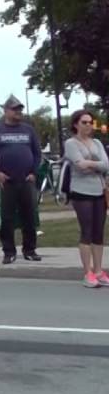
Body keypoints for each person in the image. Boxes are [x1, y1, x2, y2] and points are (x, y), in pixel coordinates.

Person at [0, 94, 43, 264]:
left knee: (29, 216)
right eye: (14, 109)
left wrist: (34, 172)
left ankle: (30, 249)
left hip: (26, 180)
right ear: (6, 111)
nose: (18, 112)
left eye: (20, 109)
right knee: (7, 218)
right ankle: (9, 251)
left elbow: (37, 153)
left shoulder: (28, 130)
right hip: (7, 181)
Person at [62, 110, 109, 287]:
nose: (88, 125)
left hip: (99, 190)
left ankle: (98, 270)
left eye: (90, 122)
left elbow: (106, 165)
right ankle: (87, 272)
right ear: (76, 124)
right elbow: (79, 166)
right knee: (86, 230)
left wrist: (92, 164)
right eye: (84, 122)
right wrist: (96, 165)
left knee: (99, 231)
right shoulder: (71, 143)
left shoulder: (97, 142)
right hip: (81, 191)